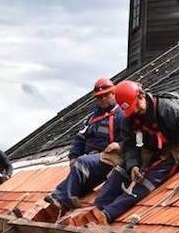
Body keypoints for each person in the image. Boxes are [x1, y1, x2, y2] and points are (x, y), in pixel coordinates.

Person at [86, 80, 179, 224]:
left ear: (141, 96)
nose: (136, 111)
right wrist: (133, 165)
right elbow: (129, 145)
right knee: (121, 170)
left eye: (136, 106)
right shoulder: (130, 117)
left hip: (177, 148)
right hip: (152, 148)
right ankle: (97, 208)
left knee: (147, 181)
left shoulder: (168, 108)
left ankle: (107, 214)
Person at [45, 78, 126, 210]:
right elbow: (80, 138)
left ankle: (60, 197)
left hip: (110, 158)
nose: (103, 99)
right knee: (77, 173)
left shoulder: (121, 115)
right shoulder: (93, 118)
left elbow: (132, 139)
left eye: (106, 95)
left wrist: (119, 145)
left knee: (82, 163)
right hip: (93, 160)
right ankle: (63, 203)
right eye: (99, 97)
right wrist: (73, 157)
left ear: (113, 94)